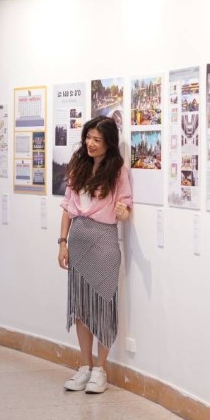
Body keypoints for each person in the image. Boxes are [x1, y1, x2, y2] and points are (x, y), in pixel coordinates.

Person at [57, 116, 132, 394]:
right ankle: (84, 367)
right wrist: (62, 243)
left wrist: (124, 212)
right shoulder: (78, 166)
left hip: (104, 244)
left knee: (103, 306)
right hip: (78, 242)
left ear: (108, 143)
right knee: (81, 308)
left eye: (97, 139)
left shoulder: (118, 172)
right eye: (88, 137)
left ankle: (101, 369)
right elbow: (67, 208)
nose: (90, 143)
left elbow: (125, 207)